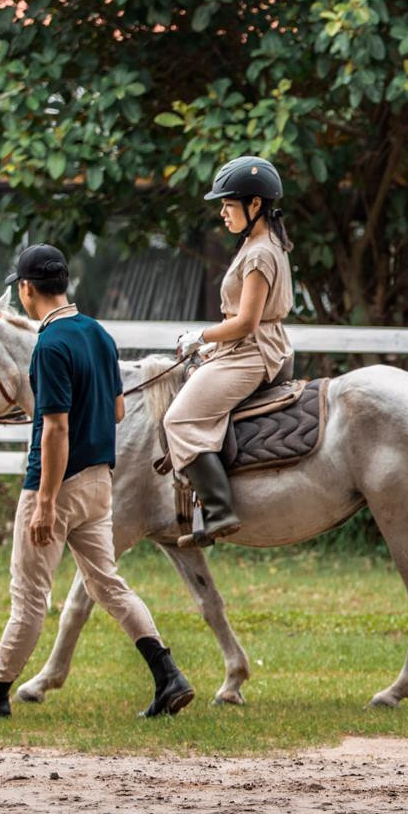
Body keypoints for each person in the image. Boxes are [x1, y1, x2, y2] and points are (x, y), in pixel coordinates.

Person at [0, 244, 195, 719]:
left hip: (54, 485)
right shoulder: (98, 334)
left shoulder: (49, 346)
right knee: (108, 585)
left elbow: (54, 428)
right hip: (99, 485)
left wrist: (46, 502)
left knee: (30, 595)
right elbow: (117, 410)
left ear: (27, 289)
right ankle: (168, 677)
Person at [161, 156, 295, 545]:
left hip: (251, 352)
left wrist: (201, 337)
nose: (222, 213)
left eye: (228, 204)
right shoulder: (259, 243)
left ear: (255, 205)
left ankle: (219, 511)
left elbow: (246, 322)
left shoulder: (259, 254)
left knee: (179, 419)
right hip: (245, 349)